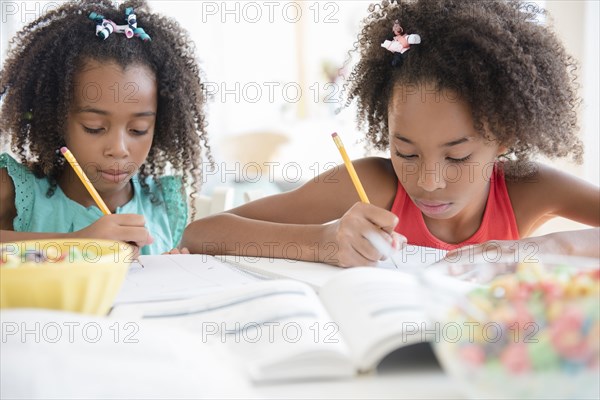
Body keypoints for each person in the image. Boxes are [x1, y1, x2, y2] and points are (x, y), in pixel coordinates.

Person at [181, 0, 599, 267]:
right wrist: (321, 243)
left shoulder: (529, 189)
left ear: (504, 135)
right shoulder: (371, 184)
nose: (428, 182)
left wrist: (552, 248)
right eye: (407, 152)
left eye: (457, 157)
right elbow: (202, 233)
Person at [0, 0, 210, 255]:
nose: (119, 149)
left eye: (139, 129)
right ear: (55, 118)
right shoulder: (16, 192)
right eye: (94, 127)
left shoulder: (165, 203)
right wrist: (78, 241)